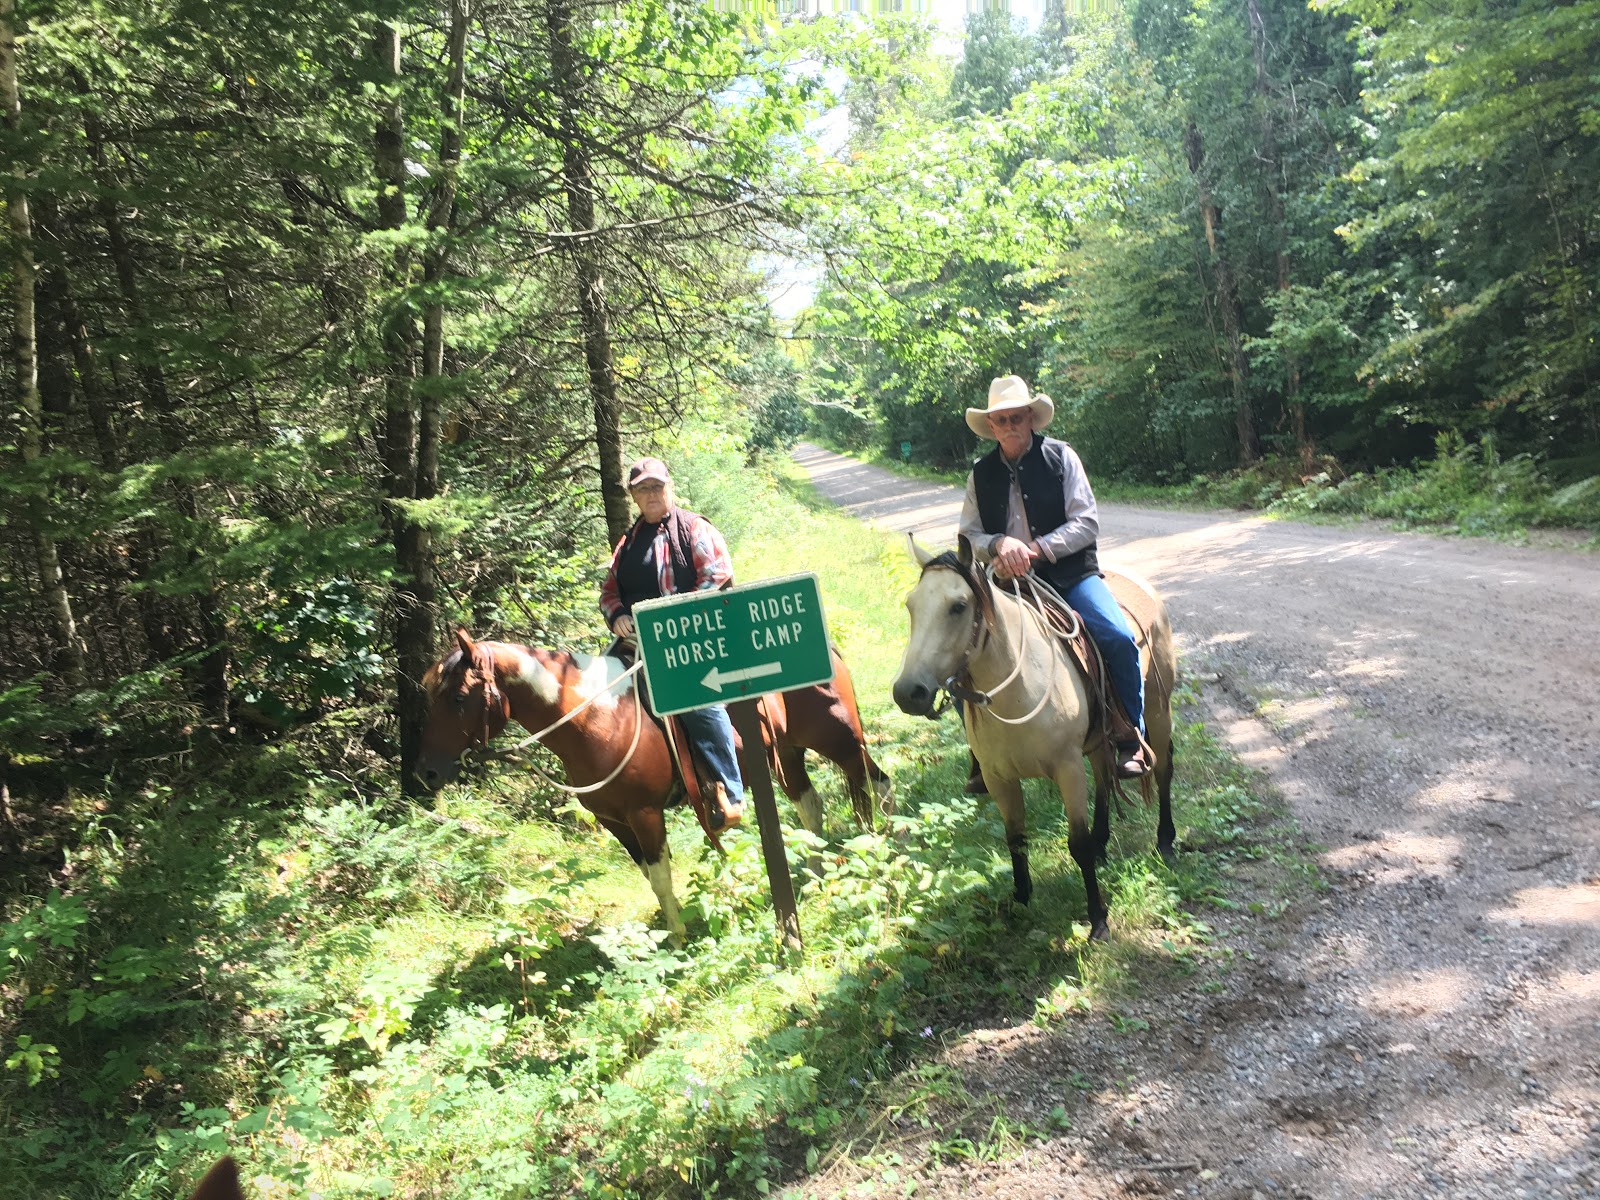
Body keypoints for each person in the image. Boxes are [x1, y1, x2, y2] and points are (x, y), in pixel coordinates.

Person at [957, 375, 1150, 783]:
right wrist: (998, 545)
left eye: (1016, 417)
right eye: (1001, 419)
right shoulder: (980, 475)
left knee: (1116, 635)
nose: (1009, 425)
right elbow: (968, 535)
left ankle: (1129, 733)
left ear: (1031, 419)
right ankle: (980, 750)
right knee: (960, 650)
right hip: (1005, 583)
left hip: (1069, 575)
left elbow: (1087, 521)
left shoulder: (1062, 458)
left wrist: (1038, 549)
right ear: (991, 426)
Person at [600, 456, 745, 829]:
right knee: (598, 689)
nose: (651, 494)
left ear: (670, 488)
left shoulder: (694, 529)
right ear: (633, 496)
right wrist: (617, 615)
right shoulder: (628, 543)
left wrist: (674, 617)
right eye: (642, 489)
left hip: (694, 638)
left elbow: (716, 576)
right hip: (638, 643)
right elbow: (609, 591)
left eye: (657, 486)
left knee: (695, 697)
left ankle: (730, 793)